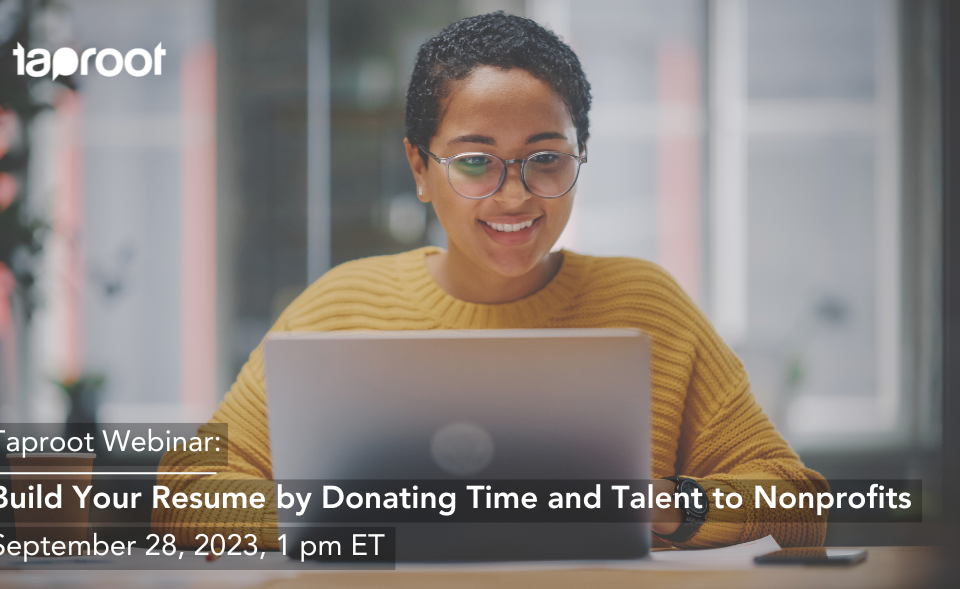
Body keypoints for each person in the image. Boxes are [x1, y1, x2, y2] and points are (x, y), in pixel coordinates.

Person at [155, 11, 827, 550]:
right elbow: (187, 493)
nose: (515, 197)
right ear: (420, 168)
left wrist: (678, 506)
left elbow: (794, 497)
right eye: (476, 162)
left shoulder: (647, 306)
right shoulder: (337, 307)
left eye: (546, 159)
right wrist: (340, 519)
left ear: (579, 158)